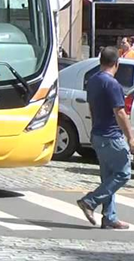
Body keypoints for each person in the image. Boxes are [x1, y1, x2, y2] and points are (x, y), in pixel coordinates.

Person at [77, 46, 134, 230]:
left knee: (108, 177)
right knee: (123, 173)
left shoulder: (93, 81)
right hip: (111, 136)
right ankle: (90, 201)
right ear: (116, 64)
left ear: (101, 61)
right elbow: (120, 113)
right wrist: (131, 137)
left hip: (98, 134)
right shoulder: (112, 84)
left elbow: (92, 107)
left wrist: (94, 129)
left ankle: (109, 217)